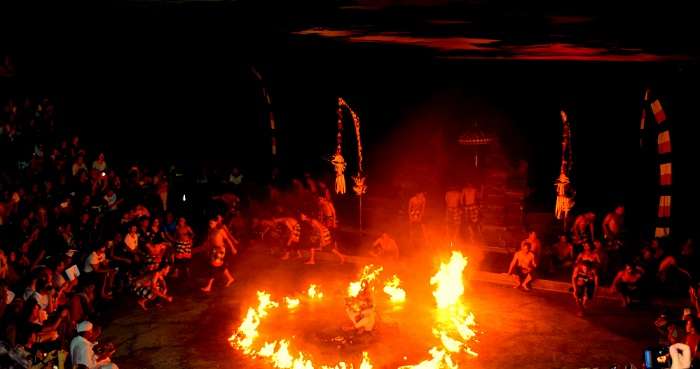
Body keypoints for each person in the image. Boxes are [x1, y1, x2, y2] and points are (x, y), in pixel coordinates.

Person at [200, 218, 237, 292]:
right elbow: (209, 242)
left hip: (220, 250)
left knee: (213, 267)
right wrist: (207, 249)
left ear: (216, 223)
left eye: (212, 223)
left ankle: (209, 287)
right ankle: (230, 278)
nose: (210, 224)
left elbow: (227, 240)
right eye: (210, 223)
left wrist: (233, 248)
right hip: (214, 250)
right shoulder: (210, 232)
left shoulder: (220, 231)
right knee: (220, 266)